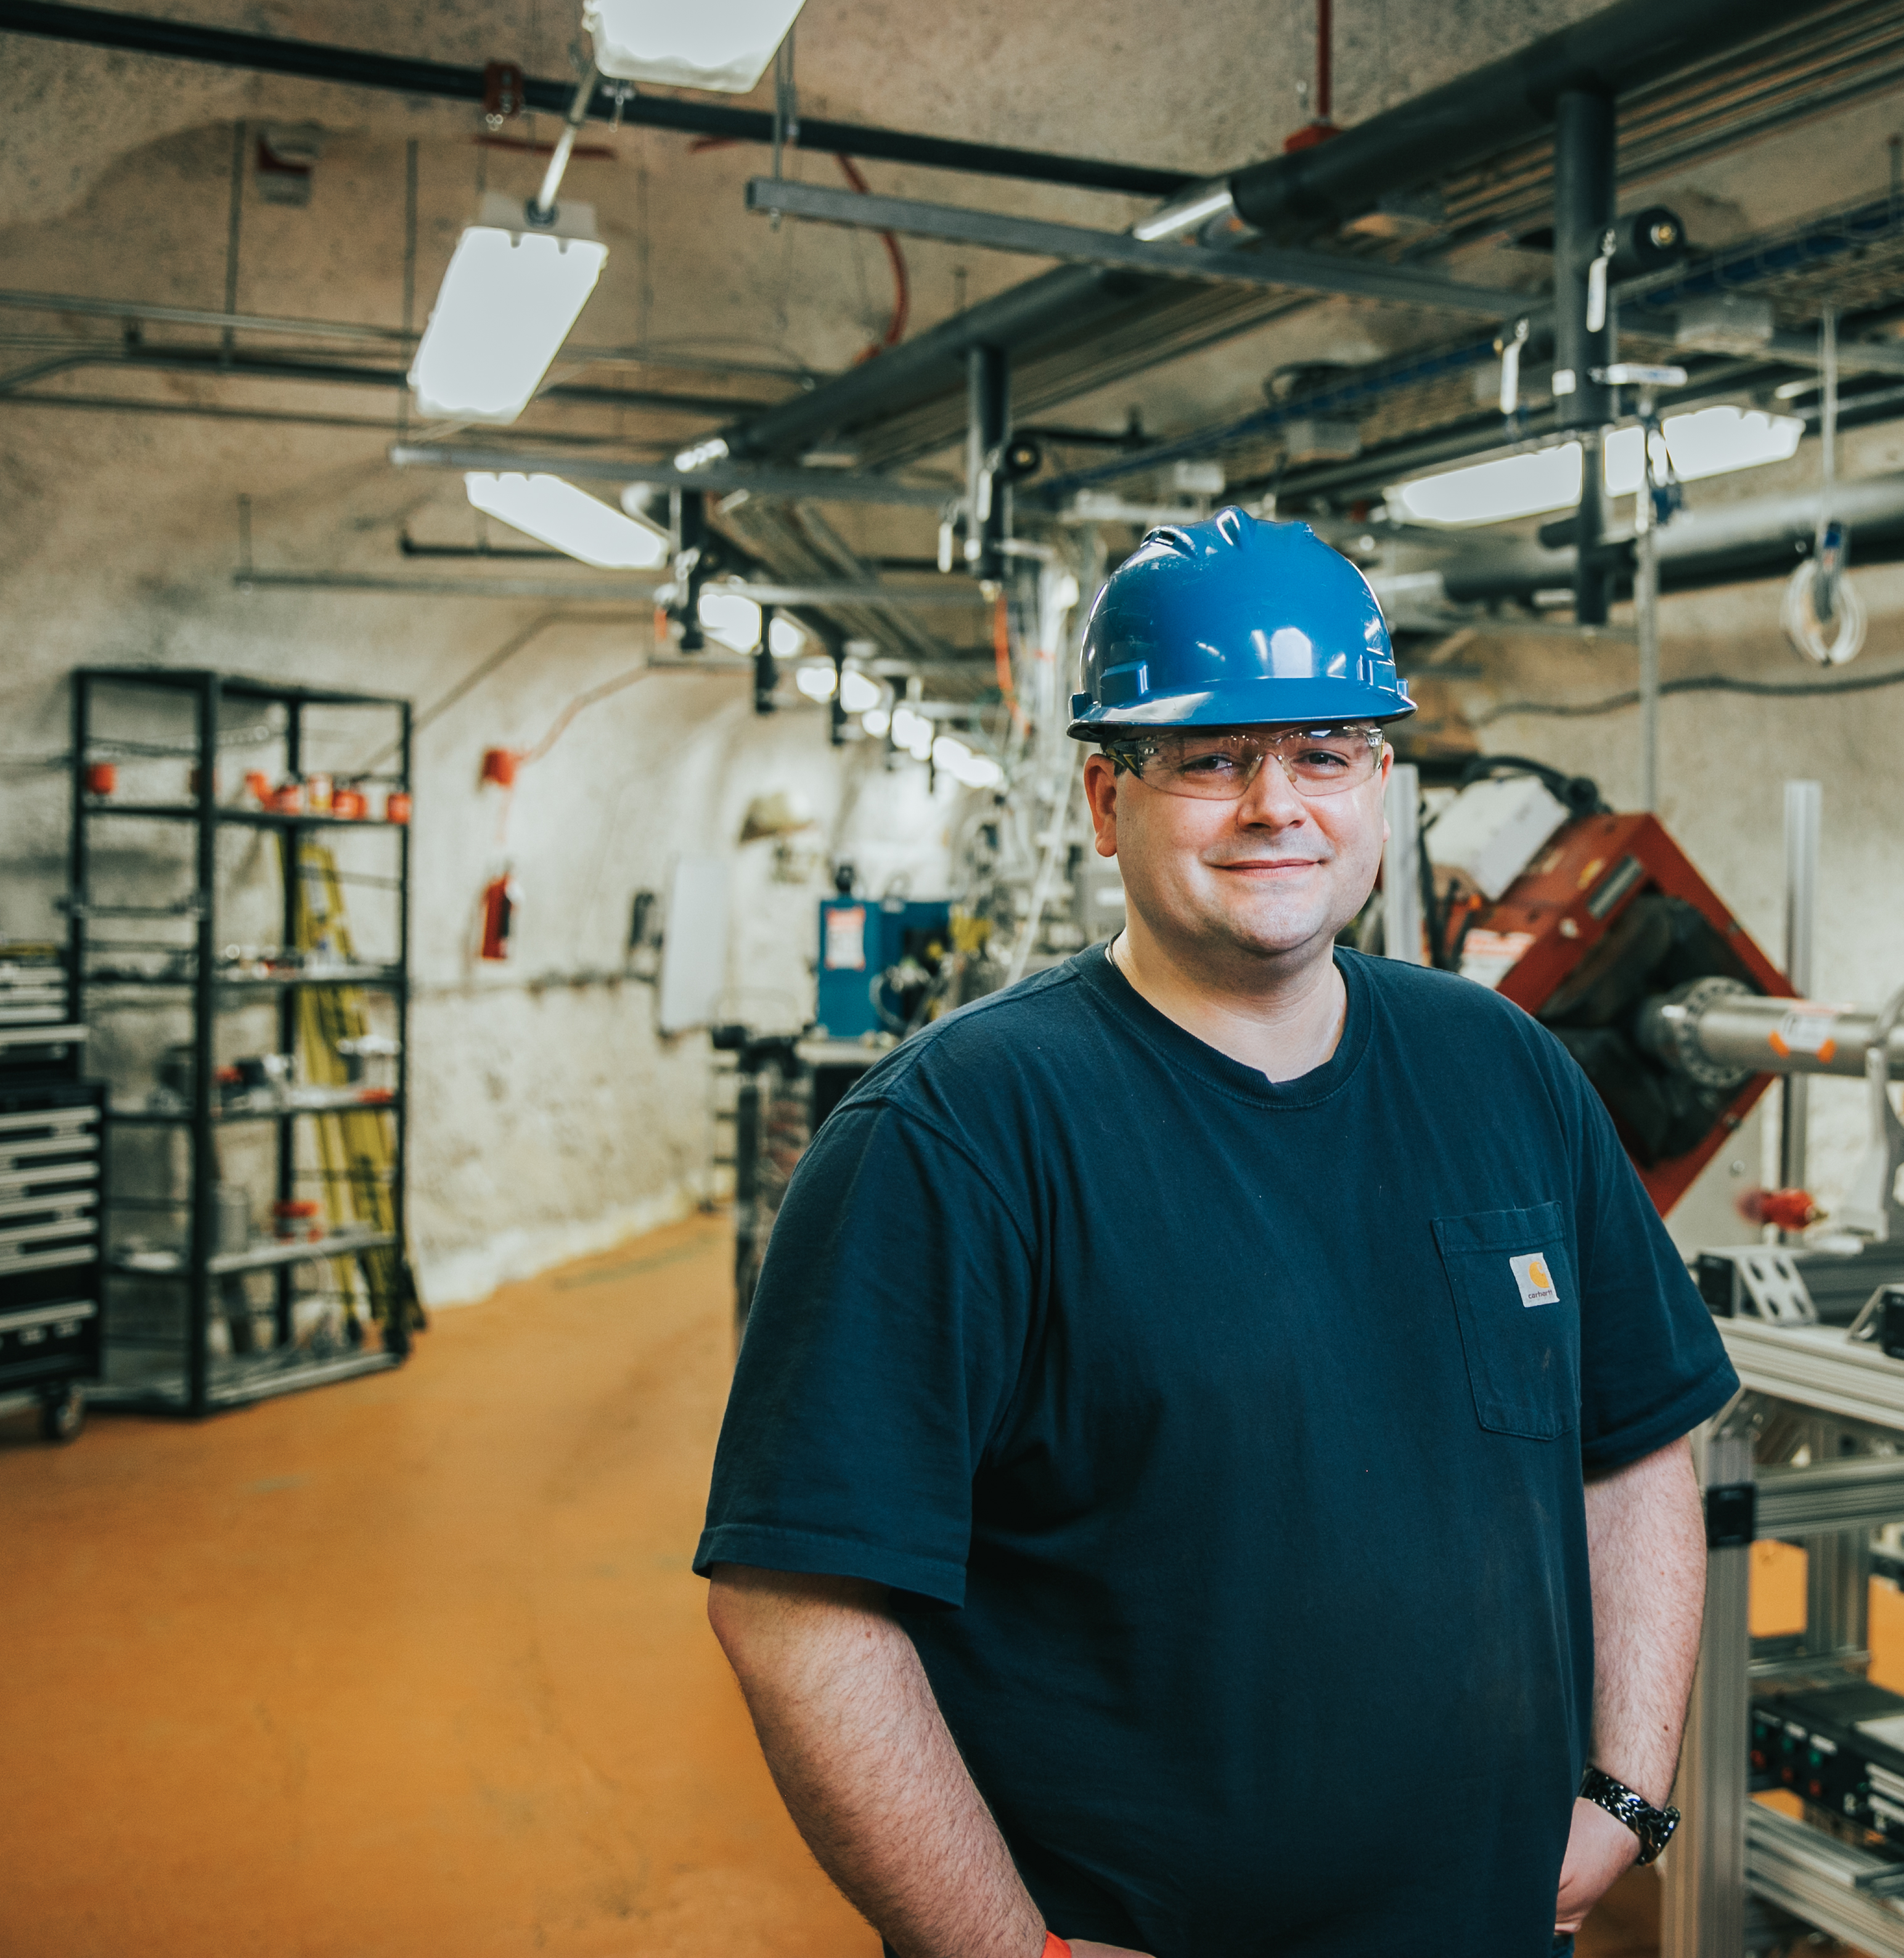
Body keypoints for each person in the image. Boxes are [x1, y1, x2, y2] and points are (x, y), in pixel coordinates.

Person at [698, 509, 1739, 1958]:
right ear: (1101, 796)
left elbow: (1634, 1443)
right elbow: (797, 1608)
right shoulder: (956, 1139)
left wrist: (1627, 1796)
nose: (1276, 804)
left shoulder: (1503, 1073)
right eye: (1209, 757)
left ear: (1380, 781)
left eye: (1325, 752)